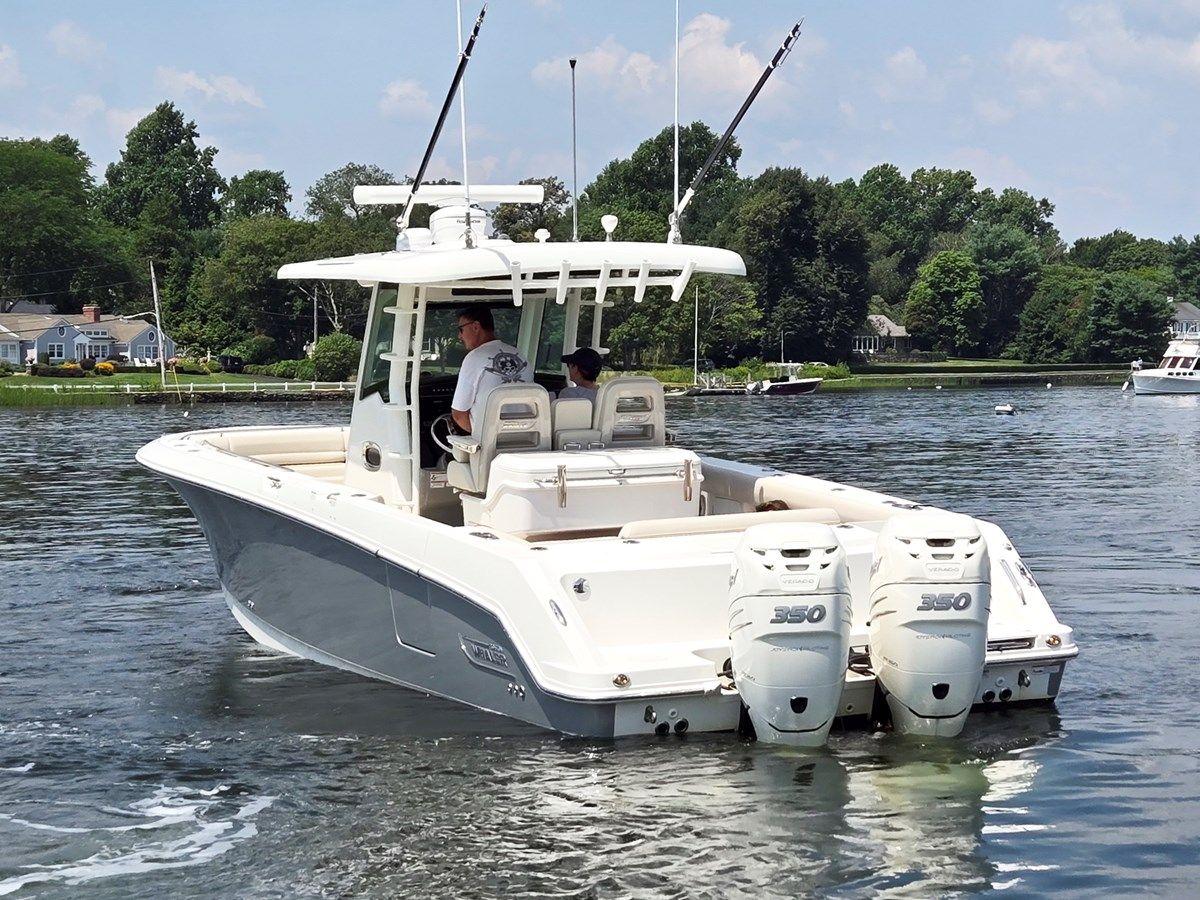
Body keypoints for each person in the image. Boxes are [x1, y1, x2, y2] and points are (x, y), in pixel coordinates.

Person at [450, 306, 532, 434]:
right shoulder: (520, 355)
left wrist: (483, 437)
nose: (459, 336)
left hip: (492, 448)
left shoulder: (473, 358)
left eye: (461, 329)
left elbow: (459, 415)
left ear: (476, 326)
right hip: (527, 439)